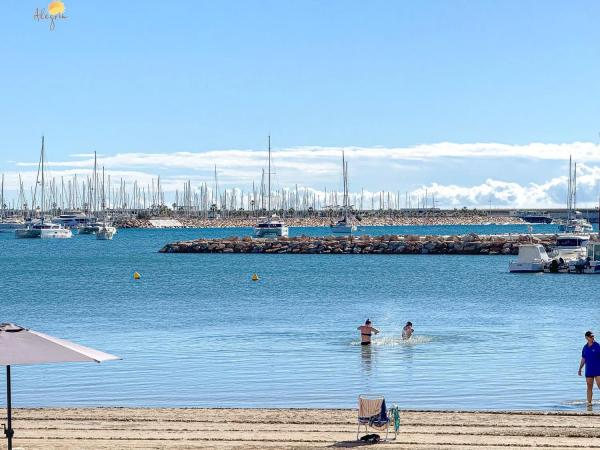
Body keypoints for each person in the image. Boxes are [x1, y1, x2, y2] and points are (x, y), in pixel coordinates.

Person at [578, 330, 600, 406]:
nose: (593, 337)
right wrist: (580, 368)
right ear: (587, 338)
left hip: (598, 370)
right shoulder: (585, 348)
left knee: (599, 385)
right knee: (589, 387)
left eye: (593, 336)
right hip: (589, 370)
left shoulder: (597, 346)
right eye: (591, 336)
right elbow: (583, 359)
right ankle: (589, 404)